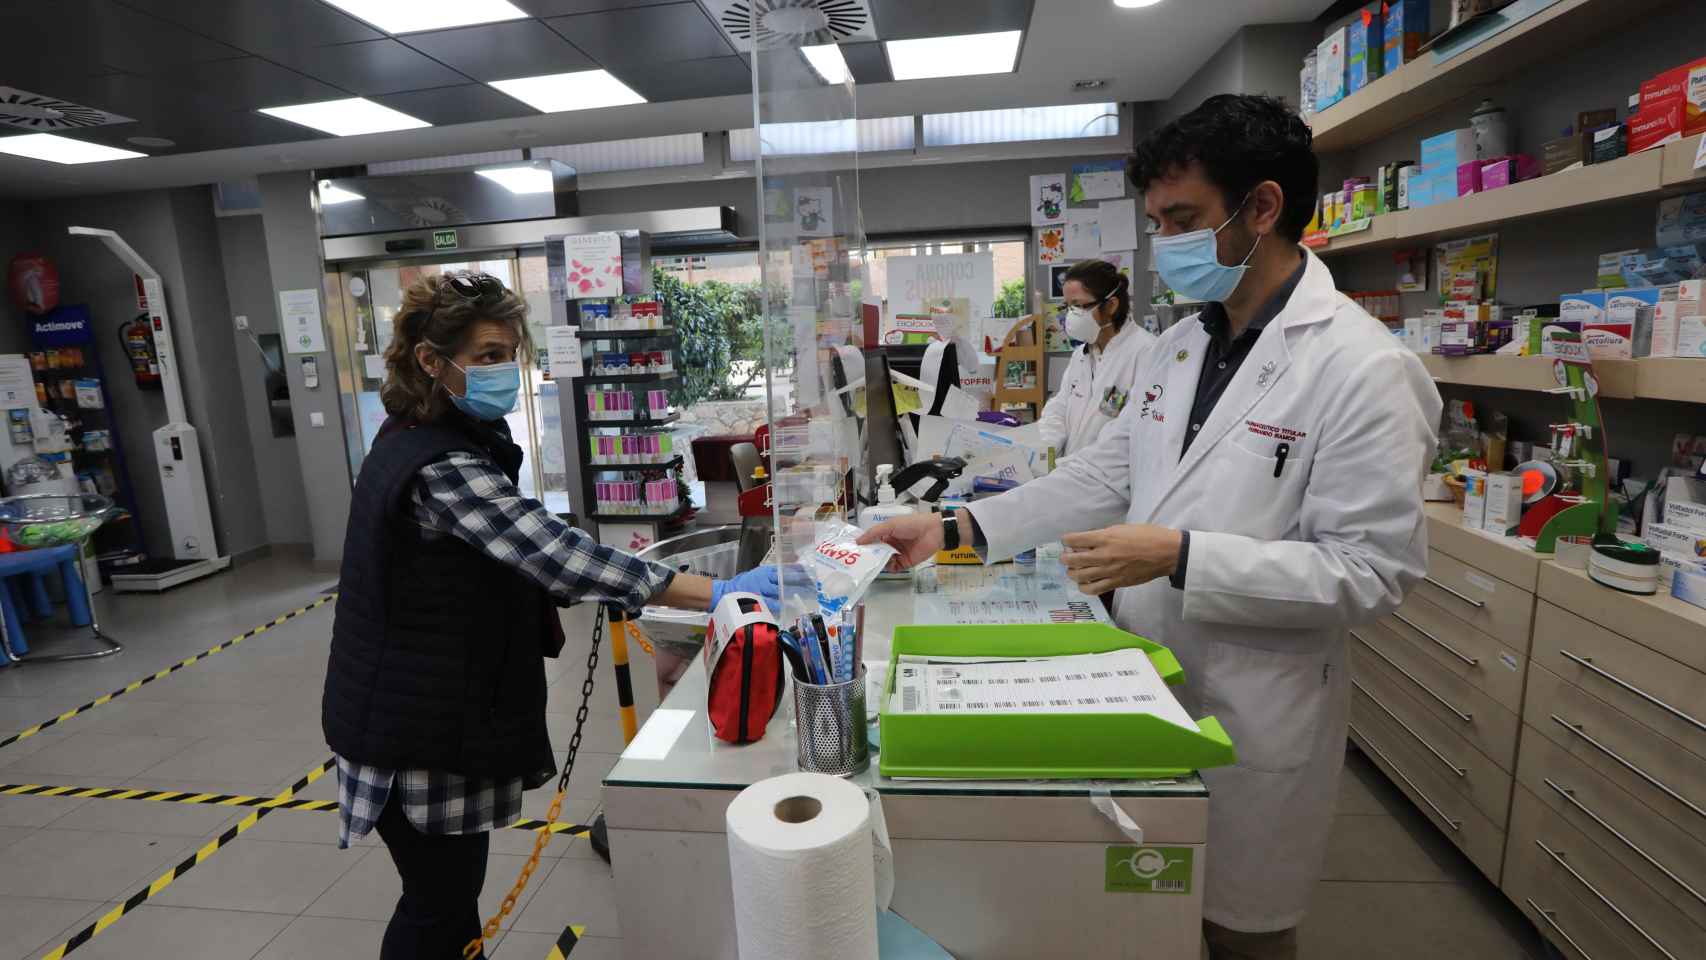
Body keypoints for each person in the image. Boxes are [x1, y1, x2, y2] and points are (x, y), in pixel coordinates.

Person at [859, 95, 1440, 959]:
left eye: (1184, 219)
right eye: (1157, 219)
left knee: (1242, 930)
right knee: (1144, 911)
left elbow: (1371, 572)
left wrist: (1180, 556)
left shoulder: (1363, 368)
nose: (1165, 242)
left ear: (1265, 207)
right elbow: (1105, 473)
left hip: (1259, 699)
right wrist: (956, 529)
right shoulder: (1182, 348)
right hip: (1145, 681)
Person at [322, 271, 780, 959]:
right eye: (484, 355)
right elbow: (556, 554)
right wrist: (714, 592)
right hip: (411, 732)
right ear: (429, 360)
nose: (502, 367)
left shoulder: (430, 434)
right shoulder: (439, 465)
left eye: (509, 350)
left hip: (419, 711)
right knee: (437, 904)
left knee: (445, 899)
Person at [1036, 258, 1156, 459]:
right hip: (1071, 472)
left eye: (1078, 306)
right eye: (1067, 307)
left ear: (1111, 305)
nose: (1070, 315)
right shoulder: (1081, 354)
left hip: (1111, 481)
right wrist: (1044, 451)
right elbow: (1059, 407)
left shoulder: (1146, 352)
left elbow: (1129, 434)